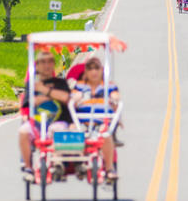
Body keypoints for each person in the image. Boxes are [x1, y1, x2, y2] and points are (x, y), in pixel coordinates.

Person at [19, 51, 72, 181]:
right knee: (23, 131)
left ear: (54, 64)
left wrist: (44, 92)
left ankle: (58, 162)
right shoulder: (31, 85)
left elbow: (65, 98)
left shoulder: (61, 83)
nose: (46, 65)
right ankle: (28, 167)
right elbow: (29, 103)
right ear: (37, 65)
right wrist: (51, 95)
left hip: (58, 121)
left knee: (58, 130)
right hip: (37, 122)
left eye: (49, 61)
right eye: (43, 62)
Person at [71, 57, 120, 180]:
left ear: (101, 70)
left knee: (105, 134)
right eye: (90, 68)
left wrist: (113, 98)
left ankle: (109, 169)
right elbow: (73, 98)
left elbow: (115, 96)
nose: (94, 72)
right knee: (73, 130)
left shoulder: (108, 86)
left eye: (96, 68)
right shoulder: (80, 86)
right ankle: (80, 162)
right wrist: (77, 98)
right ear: (86, 72)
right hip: (82, 120)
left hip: (101, 120)